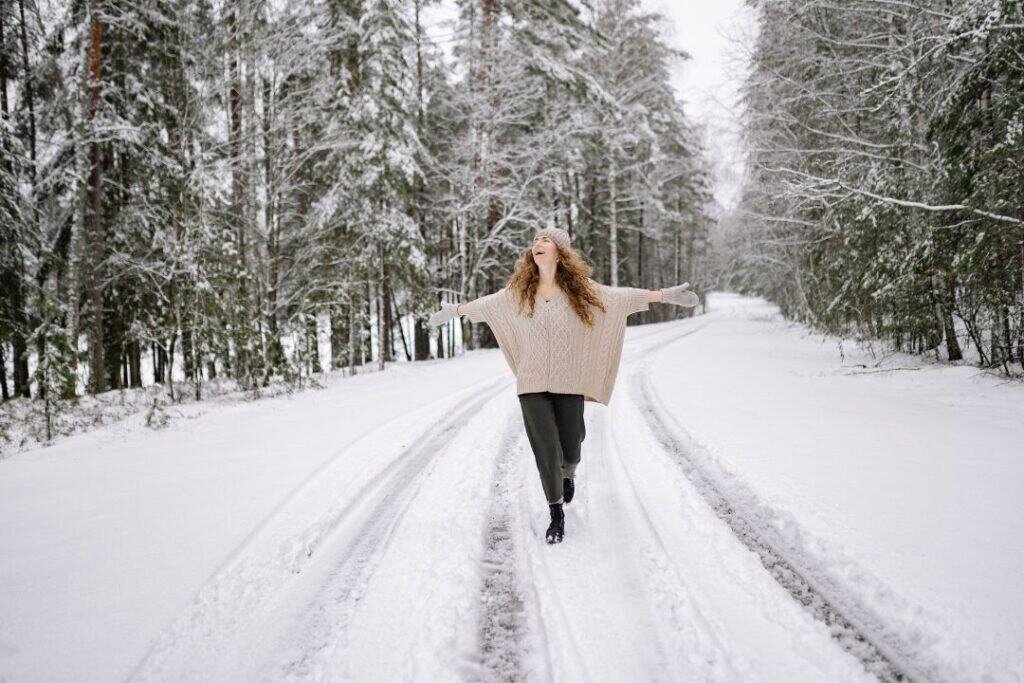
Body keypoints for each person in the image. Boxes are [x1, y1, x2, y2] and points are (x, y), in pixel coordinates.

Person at [427, 227, 698, 544]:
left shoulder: (581, 289)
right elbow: (485, 305)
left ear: (560, 251)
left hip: (569, 380)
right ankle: (556, 511)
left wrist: (663, 295)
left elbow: (621, 296)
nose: (537, 244)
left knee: (570, 444)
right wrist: (455, 311)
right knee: (545, 446)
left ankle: (568, 472)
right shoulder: (518, 291)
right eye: (534, 241)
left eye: (544, 240)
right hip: (531, 382)